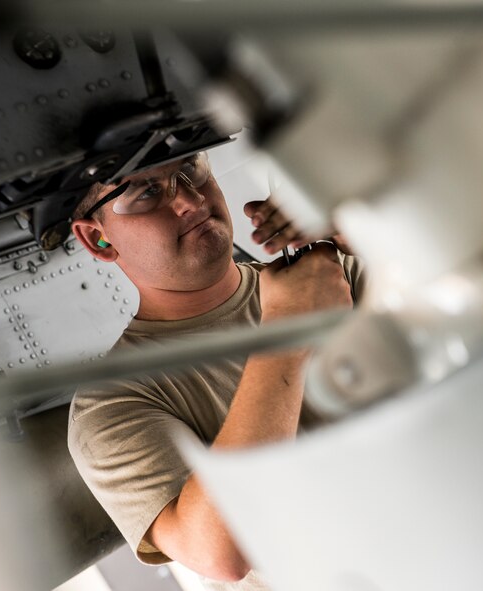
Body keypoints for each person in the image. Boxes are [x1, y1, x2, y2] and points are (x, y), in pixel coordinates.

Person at [66, 150, 364, 590]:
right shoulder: (111, 406)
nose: (189, 199)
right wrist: (286, 332)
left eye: (190, 169)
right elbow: (222, 552)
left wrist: (369, 232)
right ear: (97, 239)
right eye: (146, 192)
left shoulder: (334, 271)